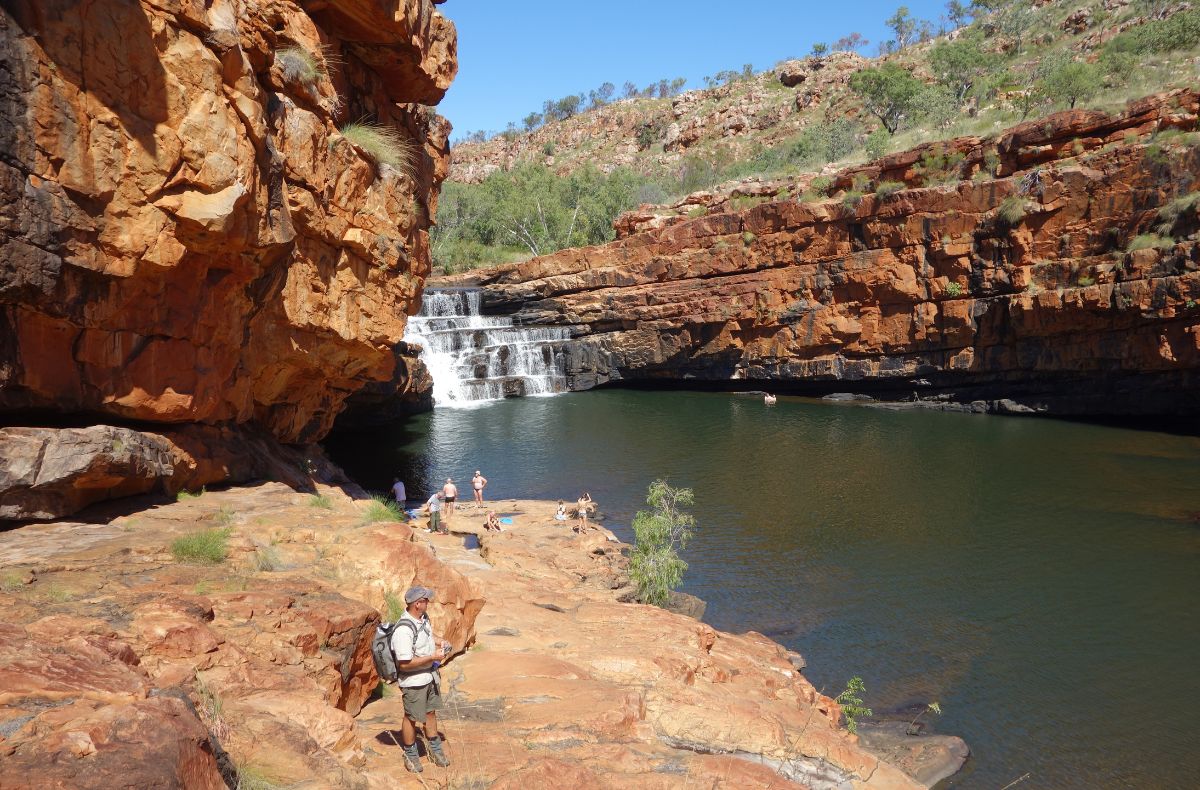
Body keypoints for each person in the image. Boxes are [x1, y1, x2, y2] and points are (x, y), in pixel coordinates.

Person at [391, 586, 452, 773]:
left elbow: (426, 636)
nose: (428, 603)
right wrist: (433, 657)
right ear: (417, 604)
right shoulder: (403, 630)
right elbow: (405, 664)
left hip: (429, 677)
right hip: (414, 681)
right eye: (426, 600)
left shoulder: (422, 619)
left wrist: (441, 641)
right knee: (411, 718)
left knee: (430, 712)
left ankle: (434, 749)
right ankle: (410, 753)